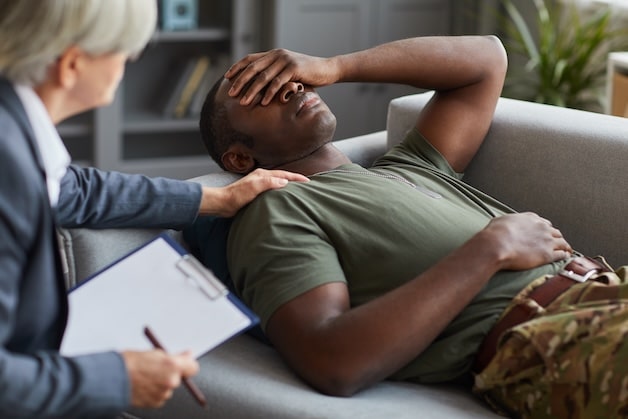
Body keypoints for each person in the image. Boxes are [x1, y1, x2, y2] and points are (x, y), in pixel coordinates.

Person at [190, 34, 628, 418]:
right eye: (258, 91)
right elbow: (331, 360)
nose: (289, 85)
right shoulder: (279, 211)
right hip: (560, 338)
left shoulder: (410, 165)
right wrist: (489, 249)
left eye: (283, 75)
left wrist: (336, 66)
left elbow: (486, 61)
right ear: (240, 159)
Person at [0, 1, 307, 418]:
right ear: (72, 64)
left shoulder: (15, 130)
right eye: (126, 52)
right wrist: (119, 379)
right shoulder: (8, 167)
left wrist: (215, 199)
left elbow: (71, 190)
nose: (130, 61)